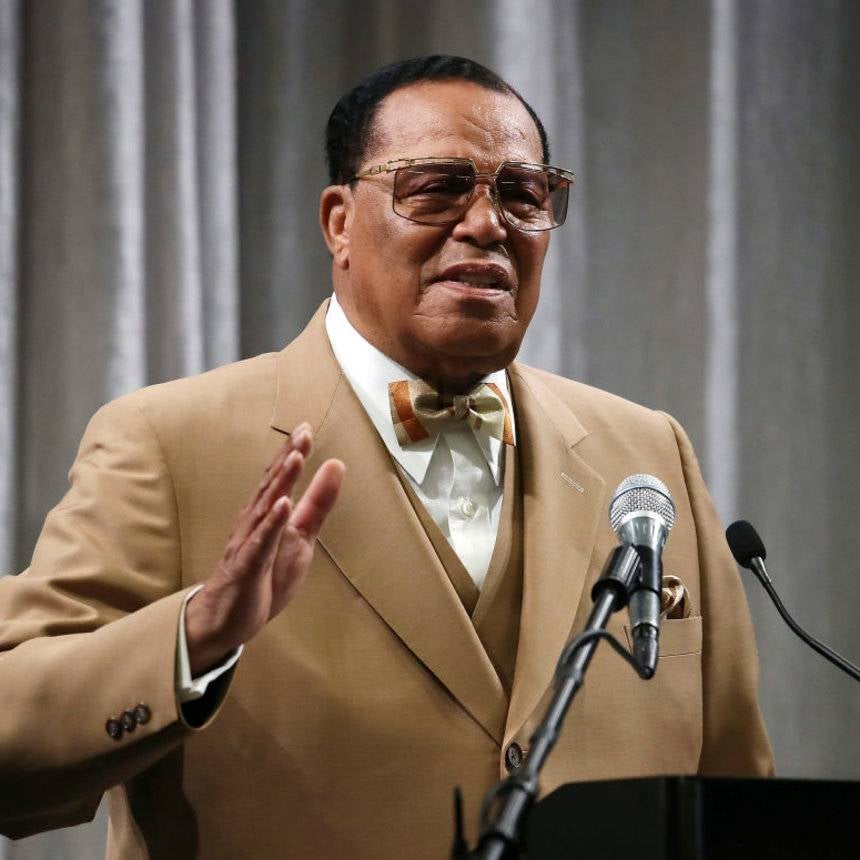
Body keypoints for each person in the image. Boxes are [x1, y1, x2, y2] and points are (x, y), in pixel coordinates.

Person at [0, 56, 772, 859]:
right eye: (436, 187)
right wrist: (193, 641)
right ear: (339, 222)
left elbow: (738, 800)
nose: (487, 224)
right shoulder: (169, 444)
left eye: (522, 194)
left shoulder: (648, 456)